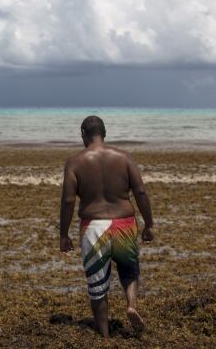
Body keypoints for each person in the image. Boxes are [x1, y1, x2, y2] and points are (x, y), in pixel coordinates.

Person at [59, 115, 155, 338]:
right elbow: (140, 192)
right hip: (125, 223)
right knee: (129, 271)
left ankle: (104, 337)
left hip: (94, 227)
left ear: (83, 133)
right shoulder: (124, 157)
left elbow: (67, 201)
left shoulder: (74, 162)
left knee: (98, 287)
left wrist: (63, 235)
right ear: (105, 133)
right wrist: (149, 224)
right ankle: (131, 305)